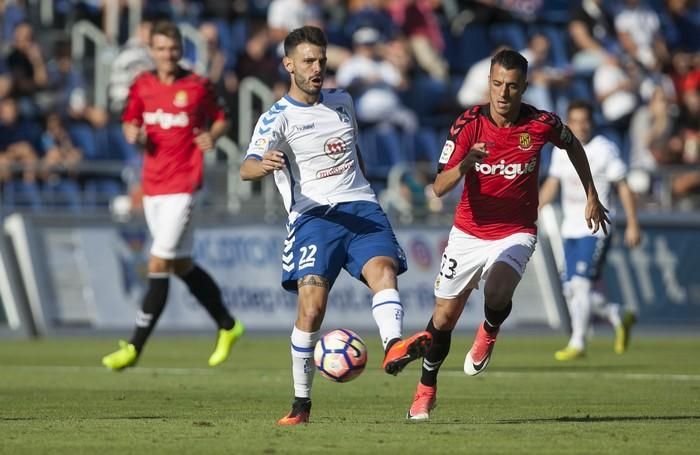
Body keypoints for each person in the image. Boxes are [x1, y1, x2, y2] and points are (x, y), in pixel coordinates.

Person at [240, 25, 432, 426]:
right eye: (308, 61)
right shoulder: (276, 117)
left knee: (384, 272)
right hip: (313, 218)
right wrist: (265, 165)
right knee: (312, 310)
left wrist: (364, 186)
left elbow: (354, 150)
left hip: (361, 206)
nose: (317, 68)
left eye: (322, 61)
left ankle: (394, 346)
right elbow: (246, 167)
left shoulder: (342, 100)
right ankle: (301, 405)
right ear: (288, 64)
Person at [405, 49, 610, 421]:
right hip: (468, 233)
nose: (503, 93)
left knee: (499, 289)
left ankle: (489, 329)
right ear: (489, 83)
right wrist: (466, 164)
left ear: (524, 88)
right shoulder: (468, 124)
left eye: (512, 86)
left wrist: (592, 194)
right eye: (497, 84)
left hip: (516, 230)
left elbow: (574, 146)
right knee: (444, 317)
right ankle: (426, 389)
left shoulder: (541, 123)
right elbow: (437, 187)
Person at [101, 20, 244, 371]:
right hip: (153, 187)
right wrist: (132, 132)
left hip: (185, 185)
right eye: (162, 49)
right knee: (180, 264)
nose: (168, 54)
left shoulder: (197, 85)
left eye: (174, 48)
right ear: (151, 51)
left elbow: (222, 116)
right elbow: (130, 121)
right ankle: (228, 325)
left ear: (182, 49)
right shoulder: (143, 85)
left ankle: (134, 347)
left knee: (158, 261)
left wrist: (212, 134)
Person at [539, 100, 641, 361]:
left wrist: (632, 222)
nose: (581, 126)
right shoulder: (561, 151)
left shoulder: (604, 149)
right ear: (568, 123)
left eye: (585, 120)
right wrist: (532, 211)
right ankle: (617, 314)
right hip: (569, 229)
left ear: (592, 122)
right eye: (576, 120)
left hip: (596, 228)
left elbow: (624, 187)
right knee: (571, 289)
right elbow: (552, 185)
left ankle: (578, 341)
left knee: (581, 286)